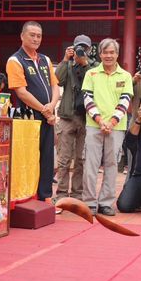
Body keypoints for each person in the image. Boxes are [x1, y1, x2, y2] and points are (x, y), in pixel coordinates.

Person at [6, 21, 60, 203]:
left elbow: (55, 86)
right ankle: (29, 195)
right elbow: (21, 91)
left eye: (39, 36)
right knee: (30, 156)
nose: (36, 38)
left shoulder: (45, 60)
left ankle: (45, 196)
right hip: (29, 116)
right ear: (22, 36)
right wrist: (45, 111)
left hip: (48, 115)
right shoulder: (15, 60)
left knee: (47, 156)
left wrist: (51, 106)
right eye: (32, 35)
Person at [81, 38, 133, 216]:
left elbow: (125, 101)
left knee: (112, 165)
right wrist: (99, 120)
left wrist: (111, 122)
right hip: (94, 125)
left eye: (112, 52)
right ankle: (89, 202)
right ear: (100, 54)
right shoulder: (91, 74)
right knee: (90, 164)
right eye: (105, 52)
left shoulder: (125, 76)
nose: (109, 55)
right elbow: (87, 98)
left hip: (116, 127)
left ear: (117, 54)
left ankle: (105, 203)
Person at [54, 35, 98, 206]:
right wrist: (65, 60)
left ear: (89, 49)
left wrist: (85, 64)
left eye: (85, 48)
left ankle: (78, 193)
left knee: (81, 159)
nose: (81, 50)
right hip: (67, 116)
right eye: (78, 47)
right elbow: (57, 80)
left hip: (86, 118)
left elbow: (95, 83)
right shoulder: (68, 64)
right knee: (64, 159)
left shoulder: (94, 67)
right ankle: (62, 193)